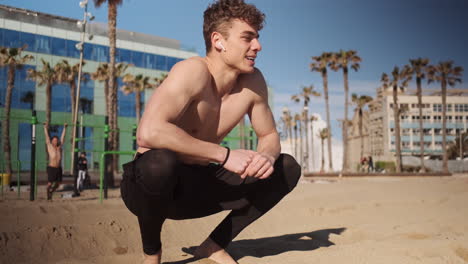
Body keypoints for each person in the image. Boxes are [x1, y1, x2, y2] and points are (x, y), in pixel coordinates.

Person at [120, 1, 301, 263]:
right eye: (247, 38)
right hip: (149, 190)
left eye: (257, 38)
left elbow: (269, 136)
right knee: (160, 162)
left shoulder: (253, 82)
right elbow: (149, 131)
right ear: (219, 41)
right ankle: (152, 253)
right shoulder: (192, 71)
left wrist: (266, 158)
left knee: (287, 167)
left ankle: (214, 245)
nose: (257, 46)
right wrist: (225, 155)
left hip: (198, 186)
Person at [44, 123, 67, 200]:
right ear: (52, 141)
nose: (55, 142)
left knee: (58, 184)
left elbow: (62, 138)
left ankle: (51, 192)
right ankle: (48, 193)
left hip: (58, 168)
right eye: (54, 140)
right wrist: (45, 128)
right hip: (52, 168)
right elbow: (47, 138)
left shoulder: (59, 147)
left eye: (56, 140)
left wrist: (65, 128)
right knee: (50, 183)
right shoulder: (50, 147)